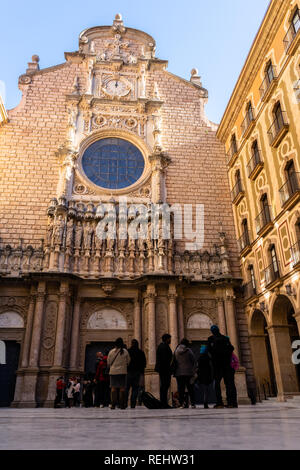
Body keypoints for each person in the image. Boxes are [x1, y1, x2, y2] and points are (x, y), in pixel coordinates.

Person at [207, 325, 237, 409]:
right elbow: (231, 348)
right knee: (229, 384)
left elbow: (208, 351)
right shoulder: (225, 338)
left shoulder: (210, 339)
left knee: (217, 384)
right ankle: (231, 402)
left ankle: (219, 403)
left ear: (212, 331)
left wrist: (213, 358)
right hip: (227, 365)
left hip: (217, 365)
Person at [107, 337, 130, 410]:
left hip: (113, 372)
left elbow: (109, 362)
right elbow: (128, 361)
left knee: (113, 388)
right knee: (122, 388)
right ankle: (122, 405)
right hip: (122, 372)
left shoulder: (111, 352)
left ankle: (113, 404)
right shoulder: (125, 351)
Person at [174, 338, 196, 409]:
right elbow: (193, 360)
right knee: (190, 389)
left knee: (181, 389)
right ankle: (192, 404)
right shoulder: (189, 350)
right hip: (188, 373)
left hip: (179, 373)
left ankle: (181, 404)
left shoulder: (176, 350)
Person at [126, 339, 147, 409]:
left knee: (127, 388)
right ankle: (133, 404)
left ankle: (124, 403)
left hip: (128, 372)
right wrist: (141, 372)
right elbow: (144, 363)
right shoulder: (141, 352)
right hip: (137, 372)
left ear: (131, 344)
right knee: (135, 389)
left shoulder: (128, 351)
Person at [155, 333, 173, 408]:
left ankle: (164, 402)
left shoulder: (161, 346)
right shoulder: (164, 347)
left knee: (164, 386)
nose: (170, 340)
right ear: (166, 339)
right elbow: (165, 359)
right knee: (165, 386)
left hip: (163, 369)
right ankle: (164, 403)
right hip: (165, 369)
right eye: (169, 339)